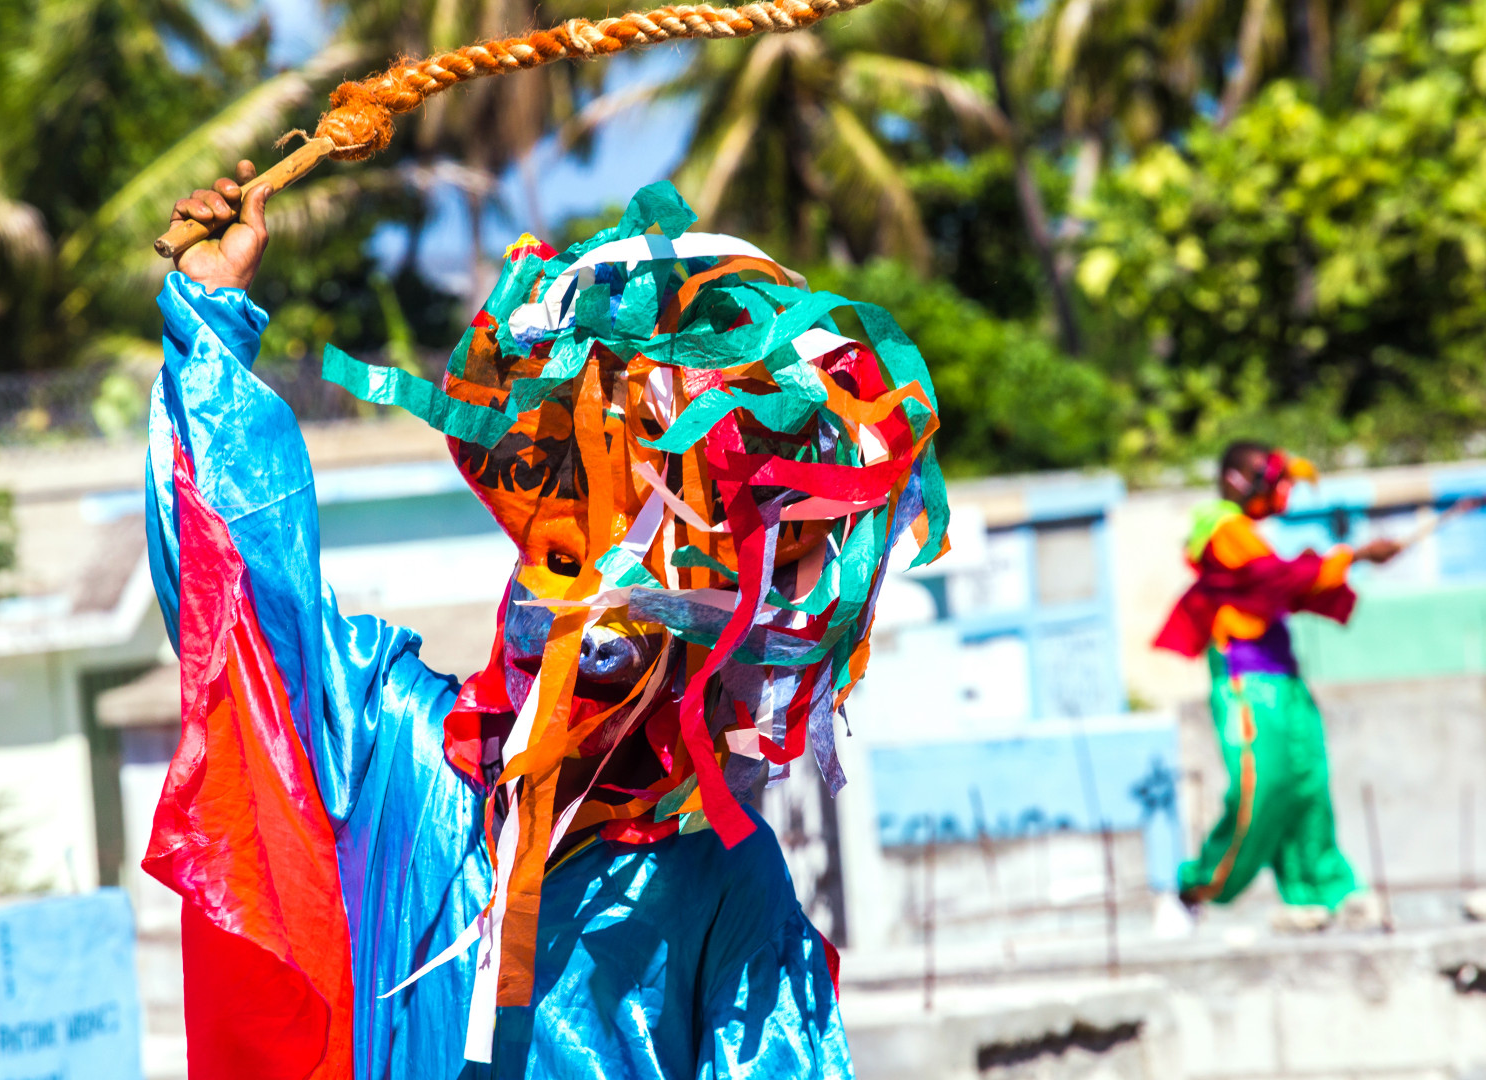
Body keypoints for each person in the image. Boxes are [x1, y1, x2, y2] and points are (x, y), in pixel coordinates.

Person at [144, 163, 946, 1079]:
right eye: (567, 569)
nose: (590, 634)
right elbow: (244, 594)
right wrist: (210, 321)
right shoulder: (396, 748)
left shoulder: (722, 874)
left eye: (650, 610)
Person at [1153, 441, 1399, 930]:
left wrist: (1353, 565)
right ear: (1237, 481)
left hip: (1285, 676)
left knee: (1307, 783)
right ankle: (1195, 890)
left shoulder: (1250, 534)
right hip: (1246, 680)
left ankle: (1323, 892)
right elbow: (1271, 580)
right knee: (1261, 785)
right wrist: (1353, 555)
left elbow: (1290, 589)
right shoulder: (1220, 530)